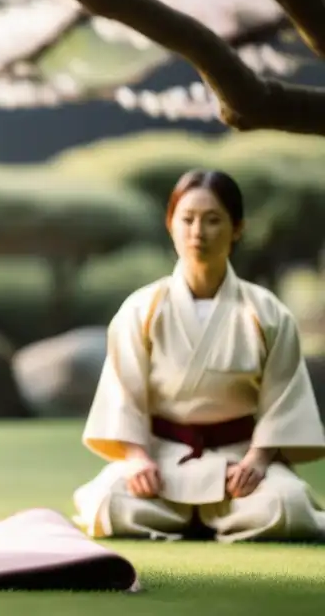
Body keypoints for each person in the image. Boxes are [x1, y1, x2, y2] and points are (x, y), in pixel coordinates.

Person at [73, 169, 325, 543]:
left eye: (213, 220)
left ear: (237, 228)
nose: (198, 232)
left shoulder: (267, 312)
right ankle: (209, 519)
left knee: (286, 506)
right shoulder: (142, 308)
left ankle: (193, 518)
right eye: (187, 219)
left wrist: (256, 461)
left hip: (238, 463)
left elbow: (283, 401)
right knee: (109, 503)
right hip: (164, 462)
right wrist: (138, 459)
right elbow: (122, 397)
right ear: (170, 224)